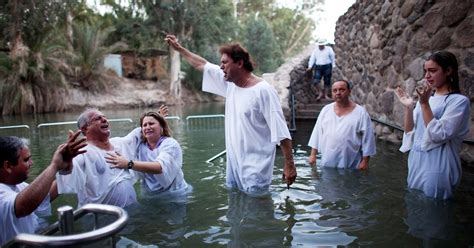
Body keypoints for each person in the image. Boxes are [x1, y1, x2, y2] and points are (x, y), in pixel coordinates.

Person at [165, 34, 296, 194]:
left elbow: (281, 131)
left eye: (225, 63)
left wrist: (289, 164)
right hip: (233, 166)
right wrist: (179, 49)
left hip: (256, 168)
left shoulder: (264, 91)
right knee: (234, 211)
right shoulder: (230, 84)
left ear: (240, 63)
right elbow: (202, 65)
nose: (221, 67)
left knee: (257, 212)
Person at [395, 51, 470, 200]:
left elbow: (439, 134)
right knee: (415, 211)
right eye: (426, 71)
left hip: (439, 164)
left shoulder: (458, 101)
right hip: (417, 160)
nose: (427, 76)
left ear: (448, 71)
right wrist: (409, 108)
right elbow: (411, 133)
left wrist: (424, 104)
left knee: (434, 213)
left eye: (433, 71)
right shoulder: (426, 99)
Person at [0, 131, 86, 245]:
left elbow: (43, 194)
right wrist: (54, 166)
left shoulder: (16, 184)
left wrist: (64, 169)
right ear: (8, 166)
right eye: (26, 160)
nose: (31, 162)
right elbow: (23, 206)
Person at [56, 108, 142, 208]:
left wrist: (157, 117)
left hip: (132, 212)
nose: (104, 120)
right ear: (85, 129)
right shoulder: (83, 152)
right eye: (98, 118)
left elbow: (139, 133)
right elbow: (68, 173)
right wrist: (66, 162)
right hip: (101, 218)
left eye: (104, 117)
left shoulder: (119, 143)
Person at [105, 111, 189, 196]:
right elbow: (125, 141)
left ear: (161, 126)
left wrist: (128, 164)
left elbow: (160, 167)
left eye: (151, 123)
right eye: (144, 125)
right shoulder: (140, 146)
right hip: (149, 194)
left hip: (175, 194)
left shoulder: (170, 144)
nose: (148, 127)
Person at [308, 80, 376, 169]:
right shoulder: (326, 110)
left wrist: (365, 161)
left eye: (341, 90)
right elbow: (317, 132)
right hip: (328, 162)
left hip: (352, 163)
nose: (338, 93)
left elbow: (368, 138)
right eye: (335, 90)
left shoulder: (360, 113)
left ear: (349, 91)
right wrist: (313, 155)